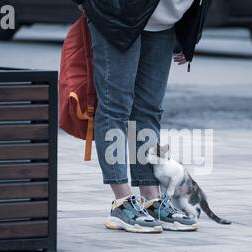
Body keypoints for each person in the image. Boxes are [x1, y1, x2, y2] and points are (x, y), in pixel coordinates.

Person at [73, 0, 211, 233]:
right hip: (116, 17)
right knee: (115, 107)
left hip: (162, 25)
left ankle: (150, 198)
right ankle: (122, 202)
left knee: (149, 110)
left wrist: (189, 37)